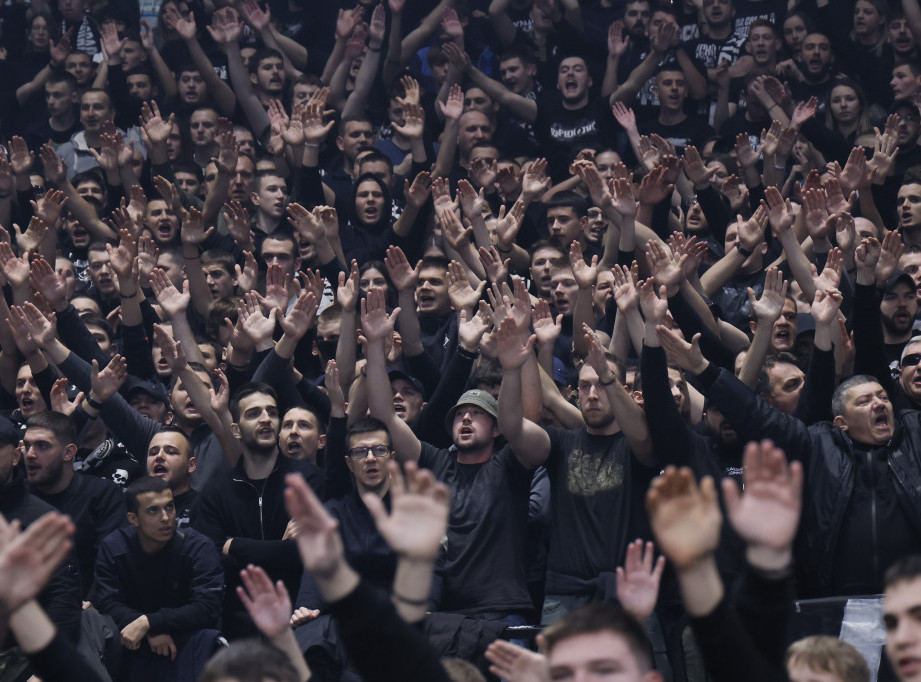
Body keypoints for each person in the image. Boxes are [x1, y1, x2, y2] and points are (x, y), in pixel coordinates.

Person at [91, 476, 223, 681]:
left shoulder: (198, 547)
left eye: (169, 507)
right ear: (133, 518)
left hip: (189, 645)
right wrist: (147, 628)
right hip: (130, 645)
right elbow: (106, 602)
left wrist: (151, 622)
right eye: (153, 510)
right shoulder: (114, 547)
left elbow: (208, 606)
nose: (166, 517)